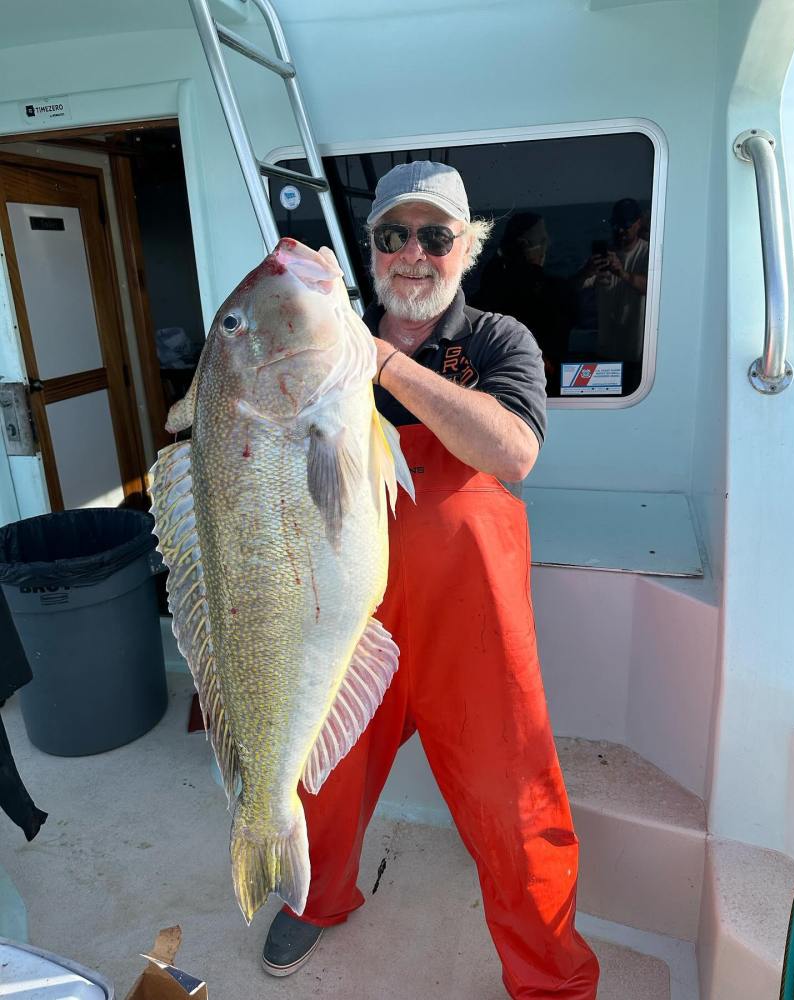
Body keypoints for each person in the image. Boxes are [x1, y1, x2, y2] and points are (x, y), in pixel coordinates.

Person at [261, 161, 600, 999]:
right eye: (392, 236)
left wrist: (382, 363)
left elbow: (513, 452)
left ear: (466, 248)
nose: (413, 254)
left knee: (515, 806)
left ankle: (552, 978)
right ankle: (319, 897)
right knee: (320, 774)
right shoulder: (314, 336)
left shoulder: (496, 340)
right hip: (349, 612)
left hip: (469, 629)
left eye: (435, 236)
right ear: (370, 250)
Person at [474, 212, 578, 392]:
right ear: (524, 245)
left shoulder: (494, 275)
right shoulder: (528, 283)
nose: (548, 245)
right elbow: (552, 300)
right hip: (537, 374)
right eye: (543, 241)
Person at [581, 197, 649, 392]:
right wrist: (587, 271)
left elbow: (652, 289)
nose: (620, 231)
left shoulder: (648, 254)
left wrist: (622, 273)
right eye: (616, 225)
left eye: (625, 226)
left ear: (638, 223)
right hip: (604, 355)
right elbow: (573, 288)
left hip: (637, 358)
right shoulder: (603, 256)